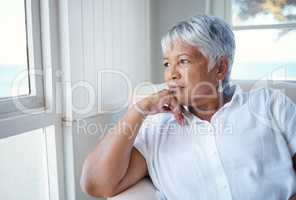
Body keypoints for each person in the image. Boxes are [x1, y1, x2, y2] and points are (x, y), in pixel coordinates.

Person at [80, 15, 296, 200]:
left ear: (220, 68)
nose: (171, 74)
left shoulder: (269, 104)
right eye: (167, 64)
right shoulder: (156, 128)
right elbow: (96, 184)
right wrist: (139, 109)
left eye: (182, 61)